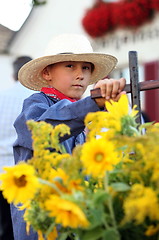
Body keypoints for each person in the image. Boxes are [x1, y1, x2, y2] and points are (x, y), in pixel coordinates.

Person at [11, 34, 126, 240]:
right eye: (70, 66)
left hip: (73, 216)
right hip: (40, 220)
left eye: (86, 68)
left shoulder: (86, 114)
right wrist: (94, 102)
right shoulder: (36, 103)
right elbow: (45, 130)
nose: (80, 75)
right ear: (47, 73)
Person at [0, 56, 34, 240]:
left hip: (1, 173)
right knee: (26, 229)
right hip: (27, 175)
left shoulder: (1, 97)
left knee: (5, 228)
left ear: (13, 74)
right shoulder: (36, 99)